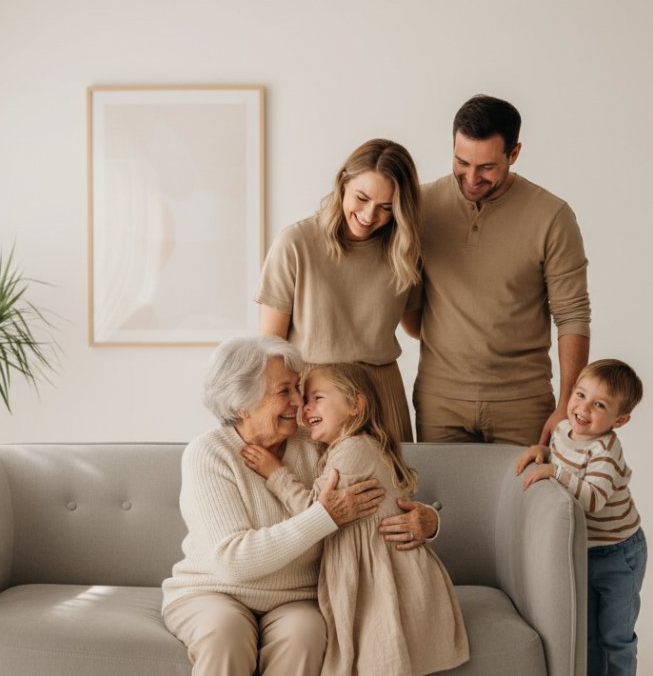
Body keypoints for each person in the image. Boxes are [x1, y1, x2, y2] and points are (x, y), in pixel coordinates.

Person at [162, 336, 438, 676]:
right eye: (284, 391)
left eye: (299, 389)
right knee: (225, 634)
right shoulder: (209, 454)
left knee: (305, 636)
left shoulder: (317, 441)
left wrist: (429, 520)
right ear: (241, 404)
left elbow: (377, 485)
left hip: (296, 596)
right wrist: (325, 516)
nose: (299, 402)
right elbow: (233, 562)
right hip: (214, 592)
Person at [242, 363, 468, 676]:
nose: (305, 409)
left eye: (317, 397)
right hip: (375, 571)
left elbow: (315, 513)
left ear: (354, 405)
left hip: (381, 577)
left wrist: (275, 473)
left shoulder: (353, 450)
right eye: (304, 400)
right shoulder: (351, 446)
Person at [403, 94, 591, 447]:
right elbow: (409, 307)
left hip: (524, 404)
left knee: (528, 502)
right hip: (440, 401)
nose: (471, 178)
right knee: (437, 505)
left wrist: (566, 403)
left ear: (514, 153)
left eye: (487, 167)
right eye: (461, 162)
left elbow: (573, 316)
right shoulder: (421, 205)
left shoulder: (552, 216)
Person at [256, 138, 422, 442]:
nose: (370, 215)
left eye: (386, 207)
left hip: (380, 395)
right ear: (342, 183)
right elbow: (271, 344)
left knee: (389, 488)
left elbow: (416, 327)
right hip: (313, 396)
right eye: (362, 198)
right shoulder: (296, 243)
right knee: (310, 489)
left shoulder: (404, 250)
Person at [515, 359, 647, 676]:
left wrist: (554, 472)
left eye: (599, 404)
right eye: (580, 394)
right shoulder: (563, 430)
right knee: (585, 634)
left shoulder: (605, 451)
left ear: (620, 419)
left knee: (616, 637)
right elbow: (560, 453)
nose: (583, 408)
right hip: (581, 551)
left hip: (619, 554)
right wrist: (541, 451)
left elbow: (592, 500)